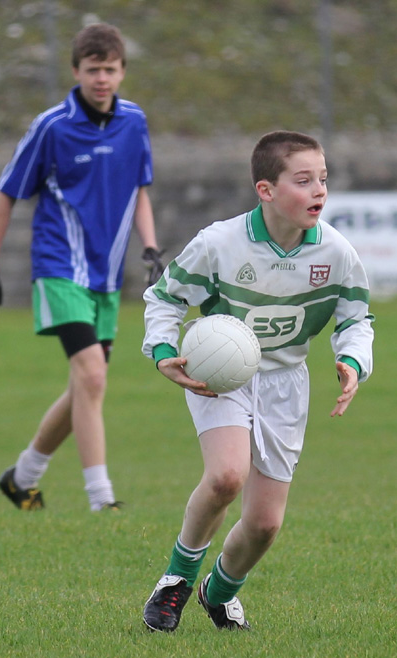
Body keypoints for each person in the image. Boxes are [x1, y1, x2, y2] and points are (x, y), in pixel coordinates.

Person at [141, 131, 374, 631]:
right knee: (226, 476)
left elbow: (356, 318)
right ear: (266, 190)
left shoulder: (335, 253)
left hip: (286, 382)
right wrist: (163, 351)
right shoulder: (220, 243)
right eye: (304, 180)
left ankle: (219, 591)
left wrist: (353, 361)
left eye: (323, 180)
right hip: (219, 376)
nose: (319, 192)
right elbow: (165, 298)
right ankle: (176, 581)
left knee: (266, 524)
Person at [0, 23, 164, 512]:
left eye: (111, 69)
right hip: (58, 267)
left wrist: (152, 249)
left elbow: (140, 189)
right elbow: (8, 192)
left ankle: (23, 475)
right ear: (76, 71)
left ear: (122, 72)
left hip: (106, 275)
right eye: (93, 70)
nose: (102, 78)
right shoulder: (52, 126)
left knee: (85, 383)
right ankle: (103, 500)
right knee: (93, 377)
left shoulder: (134, 122)